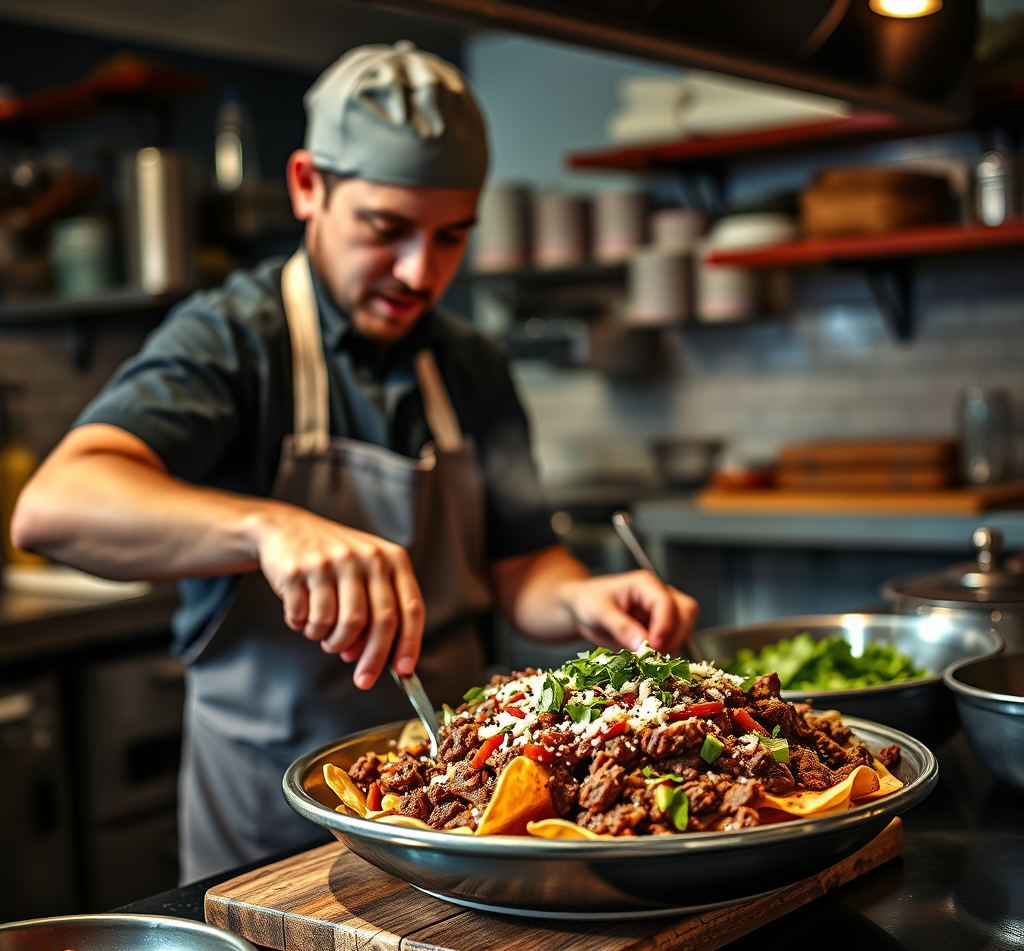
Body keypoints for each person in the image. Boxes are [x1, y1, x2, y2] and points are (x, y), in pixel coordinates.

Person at [12, 42, 698, 882]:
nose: (421, 272)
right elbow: (55, 505)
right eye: (386, 229)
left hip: (457, 813)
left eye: (452, 237)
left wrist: (586, 596)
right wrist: (270, 527)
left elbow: (521, 568)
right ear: (308, 186)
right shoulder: (235, 338)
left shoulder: (470, 365)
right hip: (268, 828)